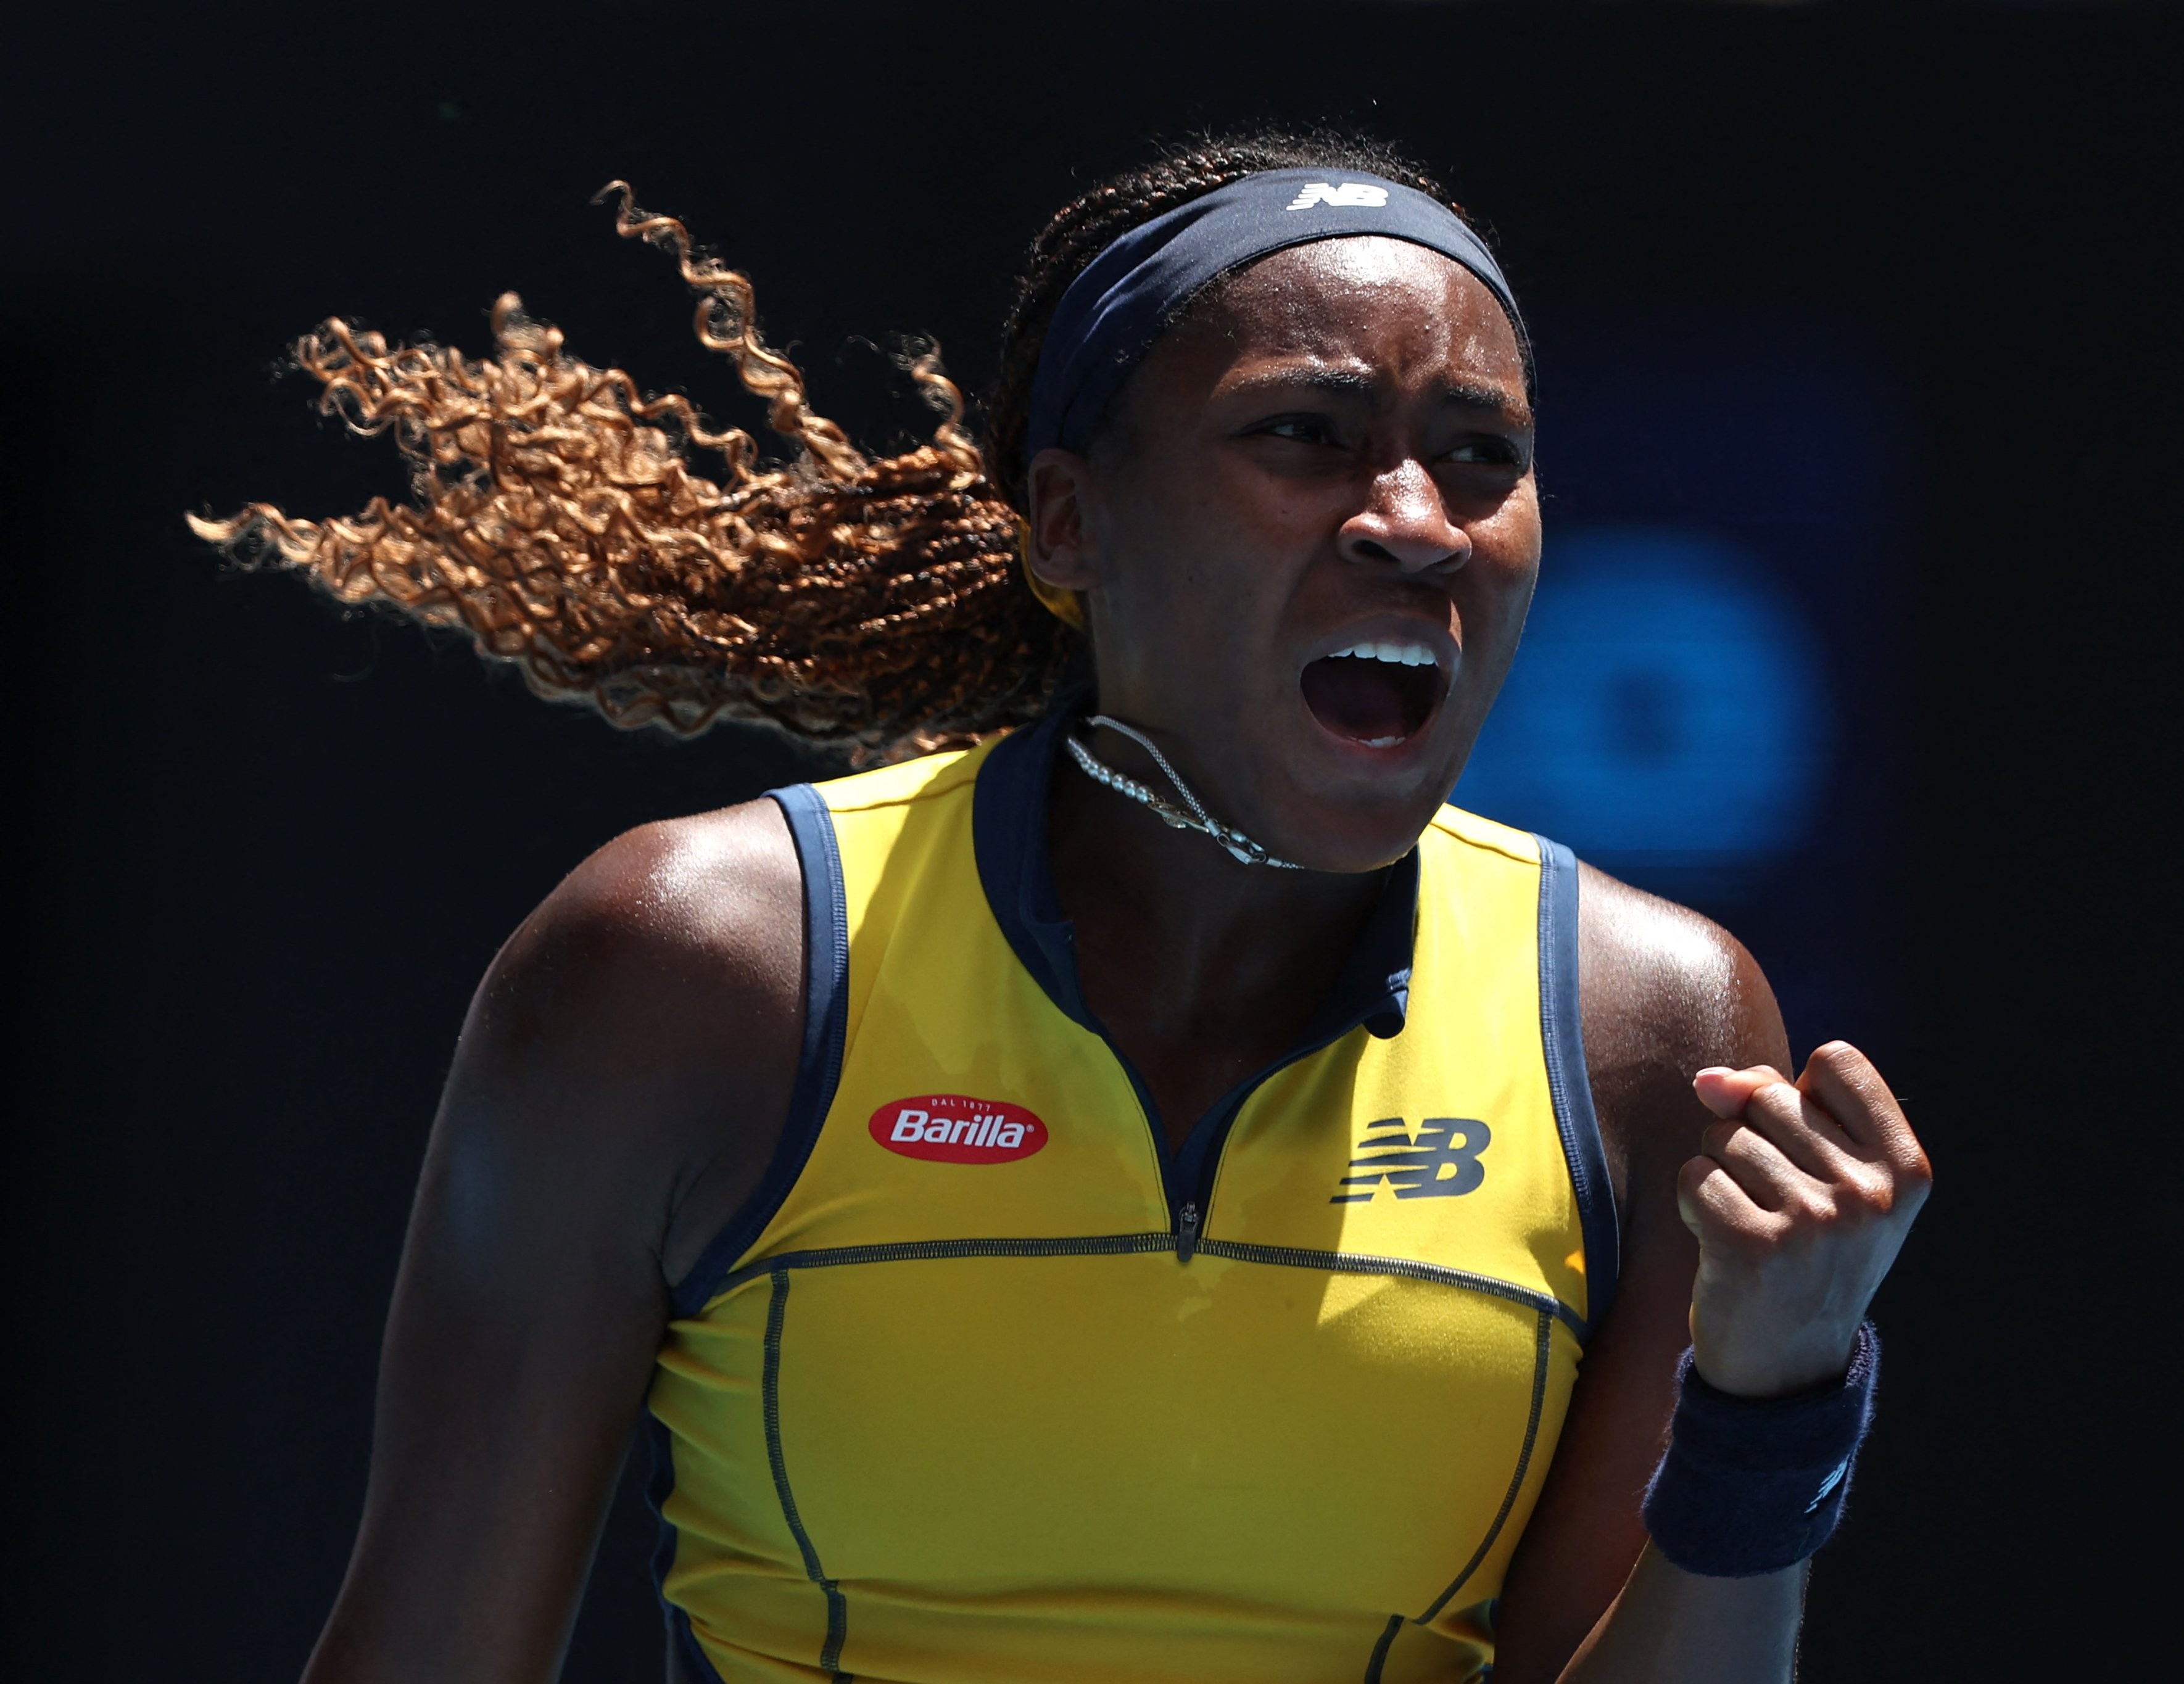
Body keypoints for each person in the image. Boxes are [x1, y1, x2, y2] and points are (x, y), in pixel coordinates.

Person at [196, 130, 1931, 1684]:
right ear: (1066, 523)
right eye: (1305, 434)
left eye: (1482, 454)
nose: (1415, 521)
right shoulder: (690, 968)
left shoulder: (1653, 1028)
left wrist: (1769, 1403)